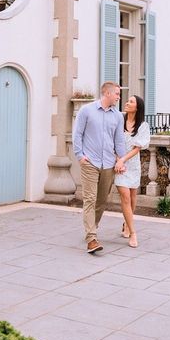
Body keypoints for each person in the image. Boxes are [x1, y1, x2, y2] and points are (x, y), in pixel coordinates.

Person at [73, 81, 126, 254]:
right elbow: (77, 134)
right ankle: (92, 239)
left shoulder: (118, 116)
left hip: (109, 164)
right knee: (90, 199)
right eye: (117, 94)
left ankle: (91, 227)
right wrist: (80, 156)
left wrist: (121, 160)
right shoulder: (86, 111)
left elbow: (119, 140)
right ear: (107, 93)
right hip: (90, 163)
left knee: (102, 201)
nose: (119, 97)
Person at [115, 95, 150, 248]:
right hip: (119, 165)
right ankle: (134, 233)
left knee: (133, 196)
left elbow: (137, 148)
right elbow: (111, 142)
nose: (127, 103)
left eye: (131, 102)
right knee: (125, 196)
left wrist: (124, 159)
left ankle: (127, 224)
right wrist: (118, 160)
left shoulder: (143, 125)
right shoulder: (118, 120)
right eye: (127, 101)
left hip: (133, 165)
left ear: (137, 107)